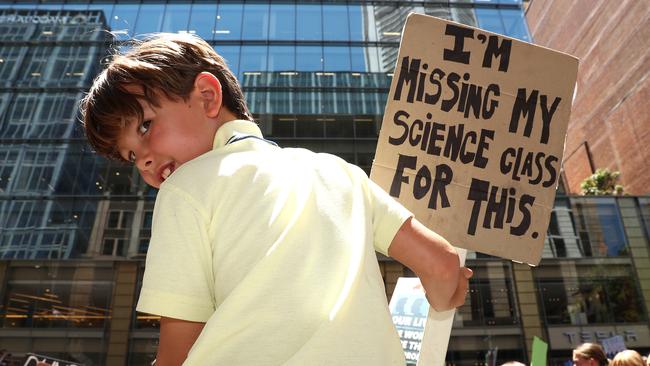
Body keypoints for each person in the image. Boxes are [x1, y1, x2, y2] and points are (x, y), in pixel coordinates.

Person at [80, 33, 472, 365]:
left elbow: (178, 352)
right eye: (131, 157)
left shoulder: (185, 189)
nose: (144, 160)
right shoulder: (339, 172)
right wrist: (446, 292)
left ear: (207, 95)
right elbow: (440, 265)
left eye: (145, 126)